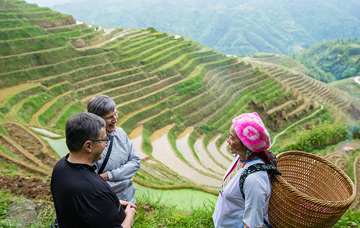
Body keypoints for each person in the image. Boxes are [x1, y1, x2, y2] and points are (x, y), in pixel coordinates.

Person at [50, 112, 137, 228]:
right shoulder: (96, 191)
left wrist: (114, 202)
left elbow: (80, 205)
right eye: (103, 140)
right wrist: (129, 215)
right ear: (88, 146)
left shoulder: (60, 167)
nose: (106, 144)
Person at [213, 112, 277, 228]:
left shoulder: (255, 179)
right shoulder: (240, 157)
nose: (228, 141)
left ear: (246, 144)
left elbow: (252, 224)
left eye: (232, 138)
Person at [87, 95, 141, 204]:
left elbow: (135, 162)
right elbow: (93, 182)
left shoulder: (120, 133)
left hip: (129, 198)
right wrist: (125, 178)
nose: (115, 119)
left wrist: (110, 176)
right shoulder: (91, 144)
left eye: (115, 114)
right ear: (96, 120)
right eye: (109, 117)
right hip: (106, 201)